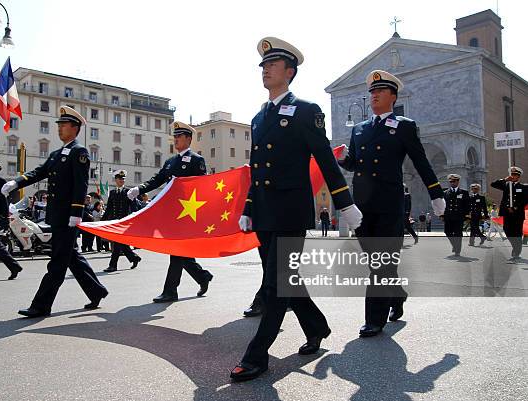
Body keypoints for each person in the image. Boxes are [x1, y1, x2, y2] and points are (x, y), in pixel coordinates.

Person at [229, 37, 363, 382]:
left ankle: (257, 357)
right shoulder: (259, 116)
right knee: (287, 280)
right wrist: (248, 206)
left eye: (272, 65)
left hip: (290, 210)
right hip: (264, 211)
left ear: (289, 72)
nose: (265, 70)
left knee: (275, 283)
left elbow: (325, 159)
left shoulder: (307, 110)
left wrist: (345, 204)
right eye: (263, 65)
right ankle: (316, 327)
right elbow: (256, 167)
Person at [339, 69, 445, 338]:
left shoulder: (405, 125)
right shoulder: (360, 129)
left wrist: (436, 193)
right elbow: (355, 164)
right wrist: (342, 159)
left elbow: (420, 161)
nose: (373, 95)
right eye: (371, 92)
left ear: (393, 97)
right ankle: (396, 294)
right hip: (362, 205)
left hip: (388, 204)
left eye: (379, 91)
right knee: (376, 260)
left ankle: (374, 319)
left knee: (380, 261)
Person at [2, 105, 109, 317]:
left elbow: (80, 184)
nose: (59, 129)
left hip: (67, 217)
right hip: (57, 215)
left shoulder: (79, 152)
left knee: (58, 262)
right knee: (72, 258)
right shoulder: (56, 153)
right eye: (59, 125)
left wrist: (76, 213)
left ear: (75, 128)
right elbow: (39, 172)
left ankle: (41, 305)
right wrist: (17, 181)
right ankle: (96, 291)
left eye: (64, 125)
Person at [127, 121, 213, 303]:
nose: (175, 140)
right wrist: (140, 188)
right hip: (173, 213)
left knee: (176, 251)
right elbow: (157, 180)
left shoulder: (197, 160)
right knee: (181, 252)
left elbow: (202, 186)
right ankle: (202, 276)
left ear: (188, 139)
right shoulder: (170, 161)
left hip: (188, 213)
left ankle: (170, 291)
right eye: (174, 137)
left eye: (179, 136)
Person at [102, 170, 141, 272]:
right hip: (115, 221)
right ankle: (134, 257)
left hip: (124, 222)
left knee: (117, 243)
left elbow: (133, 207)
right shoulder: (112, 192)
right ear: (116, 180)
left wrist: (134, 218)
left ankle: (113, 265)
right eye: (120, 179)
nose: (121, 181)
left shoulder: (128, 192)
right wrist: (102, 221)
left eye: (123, 179)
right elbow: (109, 208)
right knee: (120, 243)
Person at [491, 166, 527, 261]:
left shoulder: (523, 187)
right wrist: (505, 179)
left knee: (517, 233)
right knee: (507, 230)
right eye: (512, 174)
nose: (513, 176)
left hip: (517, 213)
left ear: (518, 177)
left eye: (515, 175)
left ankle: (516, 252)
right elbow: (493, 184)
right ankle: (515, 247)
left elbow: (525, 200)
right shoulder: (506, 185)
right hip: (507, 213)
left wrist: (515, 207)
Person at [443, 174, 470, 256]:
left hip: (459, 217)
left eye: (454, 181)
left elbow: (467, 205)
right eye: (450, 181)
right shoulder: (445, 192)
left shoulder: (464, 192)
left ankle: (457, 250)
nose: (452, 183)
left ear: (458, 182)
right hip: (448, 216)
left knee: (458, 233)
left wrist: (467, 215)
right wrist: (441, 214)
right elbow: (443, 205)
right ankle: (455, 245)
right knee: (447, 232)